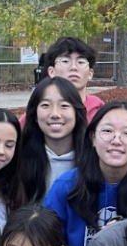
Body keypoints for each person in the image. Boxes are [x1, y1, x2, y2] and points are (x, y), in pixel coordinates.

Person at [43, 101, 127, 246]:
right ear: (93, 138)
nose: (117, 140)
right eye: (107, 131)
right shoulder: (66, 186)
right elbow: (45, 241)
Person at [19, 76, 88, 205]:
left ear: (76, 113)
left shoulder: (93, 160)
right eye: (45, 105)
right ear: (35, 115)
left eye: (64, 105)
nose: (55, 114)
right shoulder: (18, 160)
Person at [44, 36, 104, 122]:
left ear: (90, 74)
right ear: (51, 72)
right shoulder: (39, 114)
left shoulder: (102, 115)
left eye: (81, 62)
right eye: (65, 61)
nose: (73, 67)